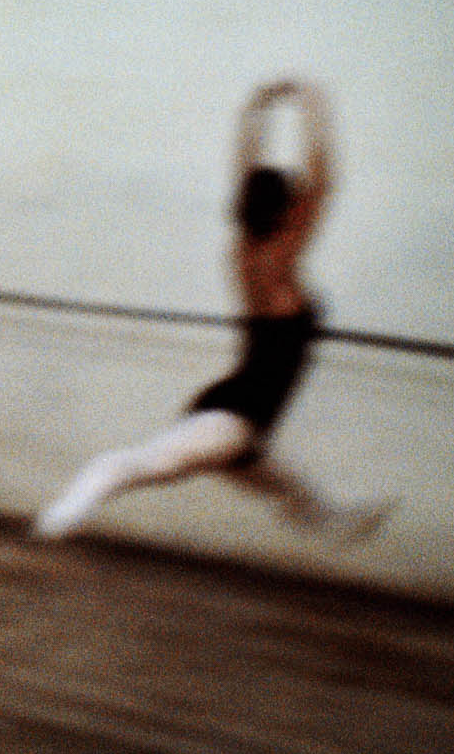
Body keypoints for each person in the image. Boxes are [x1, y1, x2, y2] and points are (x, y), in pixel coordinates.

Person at [34, 79, 389, 540]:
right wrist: (312, 106)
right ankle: (66, 510)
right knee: (149, 465)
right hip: (232, 420)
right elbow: (323, 182)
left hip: (243, 425)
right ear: (285, 215)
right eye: (294, 207)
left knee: (295, 495)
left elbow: (251, 175)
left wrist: (255, 113)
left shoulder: (245, 253)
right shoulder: (277, 262)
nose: (304, 212)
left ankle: (342, 523)